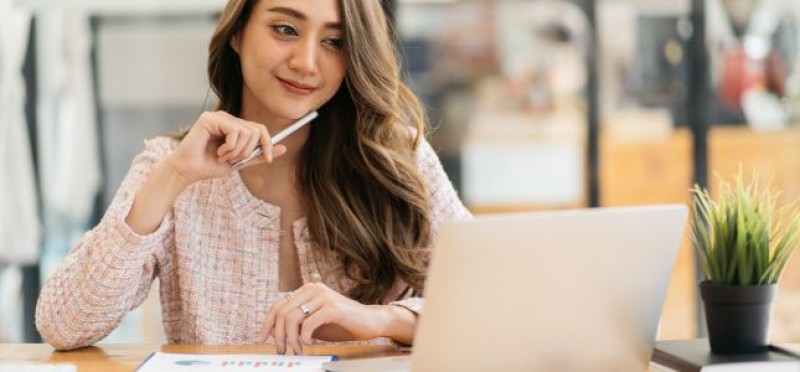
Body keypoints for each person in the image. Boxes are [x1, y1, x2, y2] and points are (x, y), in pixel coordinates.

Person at [35, 0, 470, 354]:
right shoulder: (169, 166)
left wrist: (376, 319)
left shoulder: (397, 155)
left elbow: (492, 307)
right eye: (285, 29)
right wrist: (172, 178)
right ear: (238, 33)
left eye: (334, 41)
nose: (306, 62)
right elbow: (63, 324)